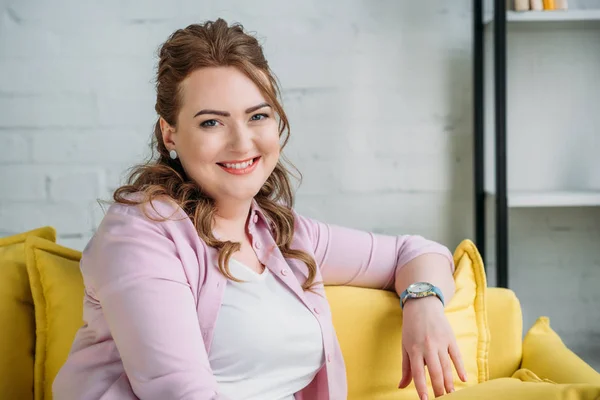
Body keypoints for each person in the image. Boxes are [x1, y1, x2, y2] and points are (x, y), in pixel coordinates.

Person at [53, 18, 467, 400]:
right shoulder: (141, 233)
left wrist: (423, 303)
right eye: (211, 122)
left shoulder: (279, 234)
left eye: (258, 116)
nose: (241, 142)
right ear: (170, 134)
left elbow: (414, 252)